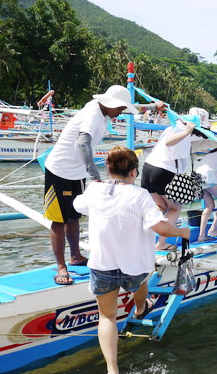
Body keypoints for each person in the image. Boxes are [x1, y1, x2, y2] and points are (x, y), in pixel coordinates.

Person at [73, 146, 190, 374]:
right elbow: (161, 228)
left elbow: (77, 205)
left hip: (102, 264)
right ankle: (140, 308)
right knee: (140, 284)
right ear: (134, 172)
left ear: (109, 168)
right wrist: (182, 231)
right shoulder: (140, 195)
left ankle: (112, 372)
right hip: (134, 266)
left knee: (107, 317)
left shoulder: (94, 190)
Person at [43, 85, 165, 285]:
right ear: (111, 104)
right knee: (59, 220)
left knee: (74, 216)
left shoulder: (104, 110)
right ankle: (61, 267)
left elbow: (129, 106)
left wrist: (152, 107)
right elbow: (83, 143)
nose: (121, 113)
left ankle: (76, 256)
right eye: (120, 109)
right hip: (60, 170)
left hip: (77, 171)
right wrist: (95, 177)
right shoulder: (92, 114)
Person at [141, 107, 208, 251]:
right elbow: (168, 142)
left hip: (148, 168)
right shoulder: (183, 131)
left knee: (160, 207)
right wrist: (187, 132)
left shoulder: (172, 126)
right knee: (175, 208)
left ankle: (142, 240)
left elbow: (157, 147)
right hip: (163, 170)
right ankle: (161, 243)